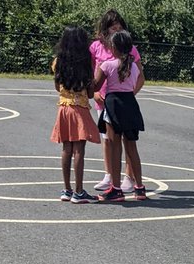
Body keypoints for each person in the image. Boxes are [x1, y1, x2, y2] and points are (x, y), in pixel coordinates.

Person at [90, 11, 143, 194]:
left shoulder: (110, 63)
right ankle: (134, 185)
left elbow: (95, 83)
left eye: (119, 28)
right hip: (121, 103)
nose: (116, 30)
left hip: (114, 103)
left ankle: (120, 184)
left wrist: (86, 89)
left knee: (116, 144)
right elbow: (138, 78)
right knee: (124, 143)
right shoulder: (131, 64)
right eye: (113, 28)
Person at [50, 26, 101, 203]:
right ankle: (79, 191)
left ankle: (67, 189)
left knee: (66, 149)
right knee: (79, 149)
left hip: (63, 108)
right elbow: (89, 93)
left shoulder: (58, 61)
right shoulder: (85, 64)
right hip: (79, 108)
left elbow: (57, 87)